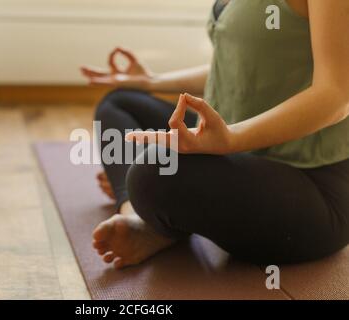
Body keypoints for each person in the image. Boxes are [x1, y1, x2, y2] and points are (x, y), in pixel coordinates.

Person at [80, 0, 349, 269]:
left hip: (314, 189)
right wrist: (152, 81)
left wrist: (231, 139)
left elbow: (336, 95)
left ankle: (155, 215)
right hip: (237, 150)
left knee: (152, 168)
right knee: (120, 103)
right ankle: (139, 217)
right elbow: (237, 66)